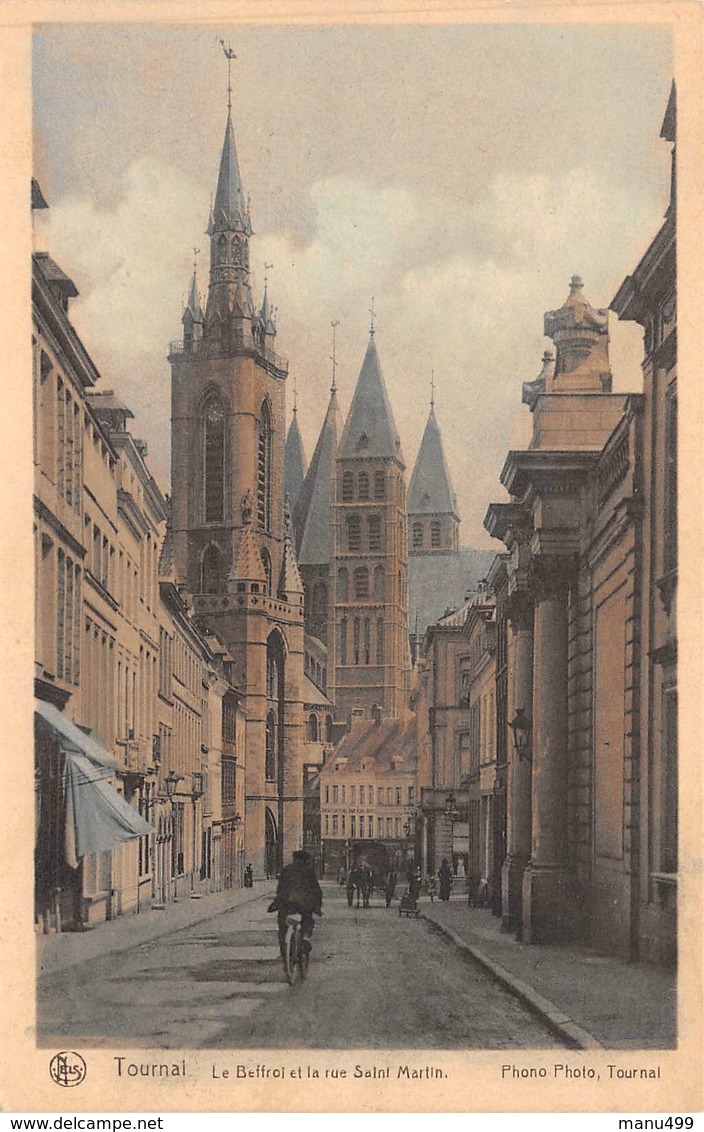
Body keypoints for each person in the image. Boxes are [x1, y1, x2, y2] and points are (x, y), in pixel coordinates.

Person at [270, 849, 323, 958]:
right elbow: (316, 890)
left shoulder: (286, 870)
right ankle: (305, 937)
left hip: (287, 904)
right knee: (308, 919)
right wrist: (317, 905)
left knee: (282, 924)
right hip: (303, 905)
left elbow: (280, 889)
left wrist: (277, 902)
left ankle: (284, 950)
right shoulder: (308, 871)